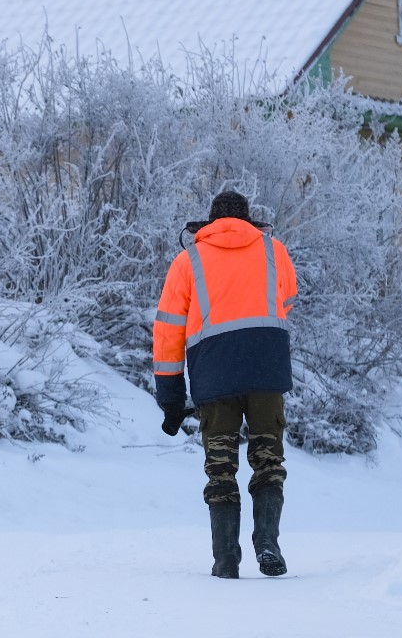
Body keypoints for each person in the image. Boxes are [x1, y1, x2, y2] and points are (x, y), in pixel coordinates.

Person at [152, 191, 297, 579]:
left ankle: (226, 562)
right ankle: (267, 543)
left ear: (208, 223)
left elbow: (168, 332)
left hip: (214, 377)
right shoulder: (274, 251)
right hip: (266, 371)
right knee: (268, 461)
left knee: (221, 470)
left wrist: (170, 396)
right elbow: (286, 301)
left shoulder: (188, 261)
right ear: (249, 220)